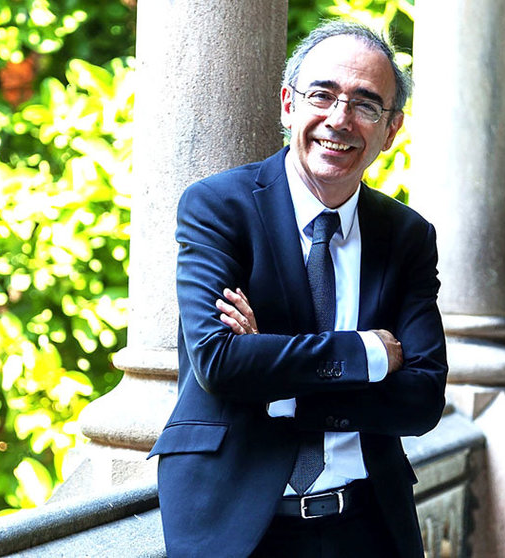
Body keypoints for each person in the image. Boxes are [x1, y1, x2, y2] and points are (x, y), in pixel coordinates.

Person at [148, 20, 447, 558]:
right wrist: (367, 352)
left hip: (367, 525)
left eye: (366, 104)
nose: (340, 119)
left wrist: (278, 380)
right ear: (288, 104)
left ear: (391, 128)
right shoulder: (219, 207)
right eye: (322, 95)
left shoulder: (407, 236)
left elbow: (423, 398)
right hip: (235, 527)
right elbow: (219, 362)